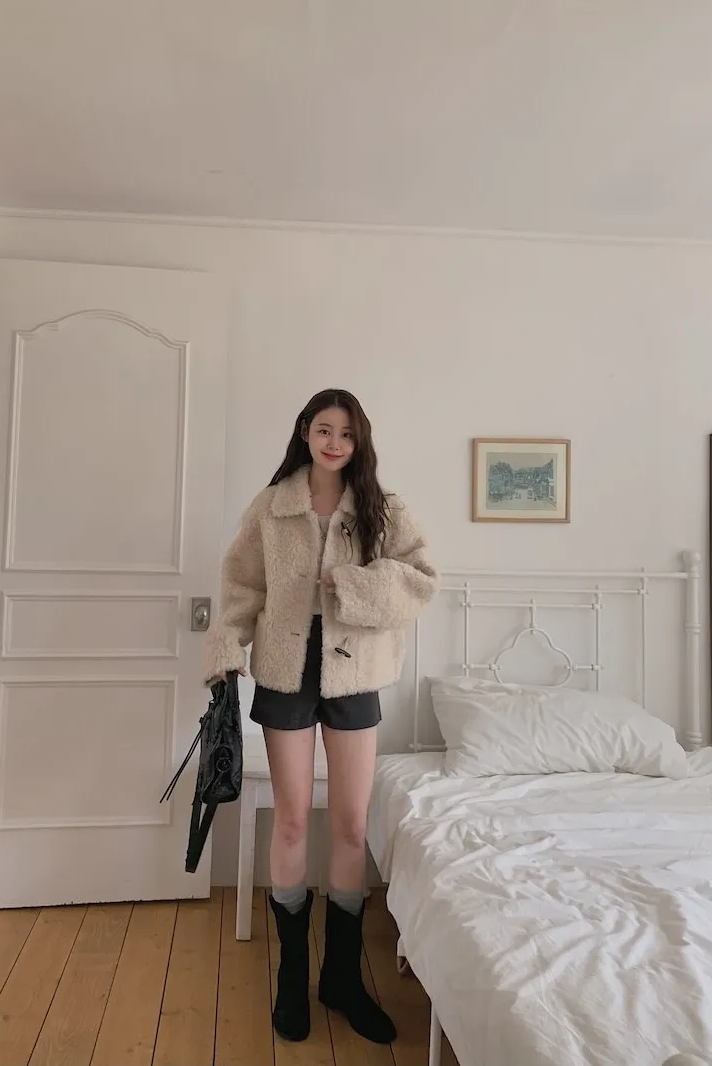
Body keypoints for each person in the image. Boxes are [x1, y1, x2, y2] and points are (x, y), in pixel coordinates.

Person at [203, 388, 438, 1046]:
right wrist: (226, 648)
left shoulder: (383, 508)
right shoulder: (273, 505)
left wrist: (351, 585)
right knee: (291, 819)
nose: (335, 442)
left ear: (360, 441)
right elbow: (241, 584)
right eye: (324, 429)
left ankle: (341, 978)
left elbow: (421, 579)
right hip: (285, 664)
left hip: (355, 667)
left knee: (352, 823)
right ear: (305, 432)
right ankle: (290, 979)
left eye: (347, 433)